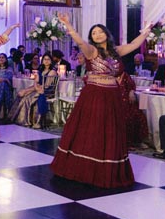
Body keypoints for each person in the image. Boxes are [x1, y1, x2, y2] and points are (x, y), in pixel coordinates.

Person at [50, 13, 153, 188]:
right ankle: (85, 168)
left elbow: (135, 44)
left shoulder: (116, 51)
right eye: (94, 33)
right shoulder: (92, 50)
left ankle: (107, 167)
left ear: (106, 33)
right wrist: (68, 24)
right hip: (94, 95)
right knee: (92, 129)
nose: (97, 35)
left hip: (112, 96)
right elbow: (80, 42)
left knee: (110, 130)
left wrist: (146, 31)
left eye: (100, 32)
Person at [9, 52, 57, 128]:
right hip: (38, 89)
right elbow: (36, 82)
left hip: (47, 92)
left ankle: (29, 121)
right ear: (42, 61)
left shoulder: (52, 72)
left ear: (51, 61)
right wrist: (35, 88)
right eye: (45, 59)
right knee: (23, 96)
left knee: (28, 99)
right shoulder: (40, 70)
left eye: (48, 59)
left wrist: (35, 89)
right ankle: (17, 118)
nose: (46, 61)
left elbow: (47, 85)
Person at [0, 53, 14, 120]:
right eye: (0, 57)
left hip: (5, 85)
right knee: (2, 85)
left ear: (6, 59)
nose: (1, 59)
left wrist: (2, 79)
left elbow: (9, 78)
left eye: (3, 57)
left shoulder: (9, 69)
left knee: (3, 84)